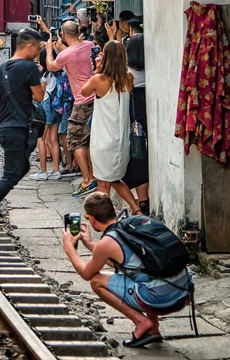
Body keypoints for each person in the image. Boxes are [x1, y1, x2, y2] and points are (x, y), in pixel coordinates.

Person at [63, 193, 192, 348]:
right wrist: (90, 244)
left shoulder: (108, 242)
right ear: (115, 210)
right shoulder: (133, 225)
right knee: (143, 275)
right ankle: (153, 330)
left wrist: (69, 248)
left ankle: (141, 322)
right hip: (183, 293)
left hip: (161, 301)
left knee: (96, 281)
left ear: (91, 220)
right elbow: (124, 263)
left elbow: (86, 273)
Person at [0, 28, 44, 226]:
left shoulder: (1, 68)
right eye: (37, 48)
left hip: (2, 127)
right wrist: (38, 79)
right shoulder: (30, 68)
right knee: (13, 173)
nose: (37, 53)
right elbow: (39, 96)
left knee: (22, 167)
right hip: (17, 127)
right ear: (29, 46)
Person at [80, 41, 140, 214]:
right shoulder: (129, 78)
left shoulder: (98, 79)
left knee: (103, 183)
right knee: (114, 179)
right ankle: (136, 210)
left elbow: (83, 92)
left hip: (102, 139)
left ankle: (104, 218)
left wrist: (97, 69)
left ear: (104, 56)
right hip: (120, 140)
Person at [46, 21, 97, 196]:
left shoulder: (66, 53)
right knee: (89, 139)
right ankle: (94, 176)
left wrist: (48, 50)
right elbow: (73, 59)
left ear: (64, 34)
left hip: (82, 101)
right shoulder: (90, 45)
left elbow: (51, 66)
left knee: (76, 141)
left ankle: (86, 180)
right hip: (96, 99)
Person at [125, 32, 149, 214]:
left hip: (133, 117)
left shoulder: (127, 73)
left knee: (138, 153)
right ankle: (143, 202)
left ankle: (139, 203)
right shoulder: (152, 69)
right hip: (147, 113)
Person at [30, 46, 61, 181]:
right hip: (57, 107)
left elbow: (39, 96)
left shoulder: (44, 76)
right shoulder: (58, 73)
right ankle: (56, 170)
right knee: (53, 140)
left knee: (41, 139)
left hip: (46, 107)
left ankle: (43, 170)